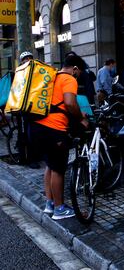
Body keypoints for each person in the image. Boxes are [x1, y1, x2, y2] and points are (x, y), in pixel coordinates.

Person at [29, 55, 89, 220]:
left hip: (37, 127)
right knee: (59, 169)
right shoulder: (69, 79)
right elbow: (69, 103)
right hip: (53, 129)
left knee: (49, 165)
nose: (78, 76)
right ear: (75, 69)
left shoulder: (52, 77)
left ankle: (50, 204)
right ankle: (59, 208)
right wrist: (81, 118)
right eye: (79, 73)